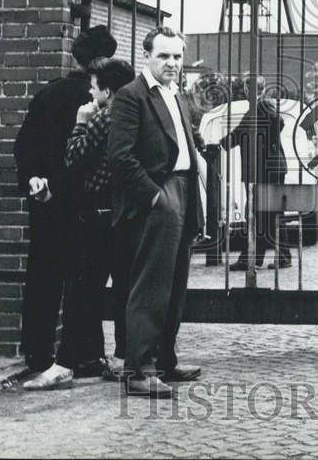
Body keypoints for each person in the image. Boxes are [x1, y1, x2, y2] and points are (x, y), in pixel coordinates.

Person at [15, 25, 117, 390]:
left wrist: (33, 181)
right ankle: (88, 354)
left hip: (47, 202)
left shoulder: (48, 96)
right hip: (88, 207)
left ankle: (37, 352)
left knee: (43, 277)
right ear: (105, 58)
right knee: (84, 283)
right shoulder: (107, 102)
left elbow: (23, 148)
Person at [108, 26, 206, 399]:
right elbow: (120, 156)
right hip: (158, 195)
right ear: (146, 56)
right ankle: (139, 369)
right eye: (164, 55)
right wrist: (153, 197)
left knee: (176, 282)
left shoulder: (176, 95)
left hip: (182, 190)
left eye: (177, 56)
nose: (172, 63)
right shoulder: (131, 96)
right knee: (150, 286)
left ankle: (165, 360)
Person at [64, 57, 136, 382]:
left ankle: (89, 356)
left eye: (94, 88)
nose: (91, 94)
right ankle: (124, 356)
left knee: (89, 286)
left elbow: (75, 158)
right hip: (128, 210)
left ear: (107, 90)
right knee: (126, 286)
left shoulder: (103, 116)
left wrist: (81, 121)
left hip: (99, 210)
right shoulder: (137, 114)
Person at [222, 74, 290, 271]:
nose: (244, 91)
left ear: (249, 90)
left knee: (260, 212)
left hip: (264, 169)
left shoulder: (261, 107)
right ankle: (260, 256)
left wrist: (222, 144)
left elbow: (239, 133)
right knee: (265, 213)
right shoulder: (259, 108)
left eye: (245, 88)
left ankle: (252, 258)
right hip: (267, 168)